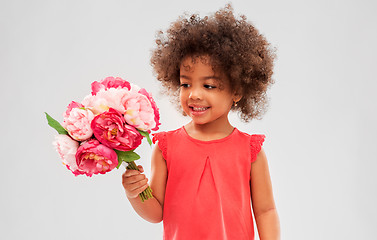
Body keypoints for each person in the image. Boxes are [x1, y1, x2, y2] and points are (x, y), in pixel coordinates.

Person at [122, 4, 280, 240]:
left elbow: (266, 210)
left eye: (209, 86)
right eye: (186, 84)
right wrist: (136, 193)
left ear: (237, 90)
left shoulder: (250, 151)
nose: (194, 94)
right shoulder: (166, 147)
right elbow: (156, 213)